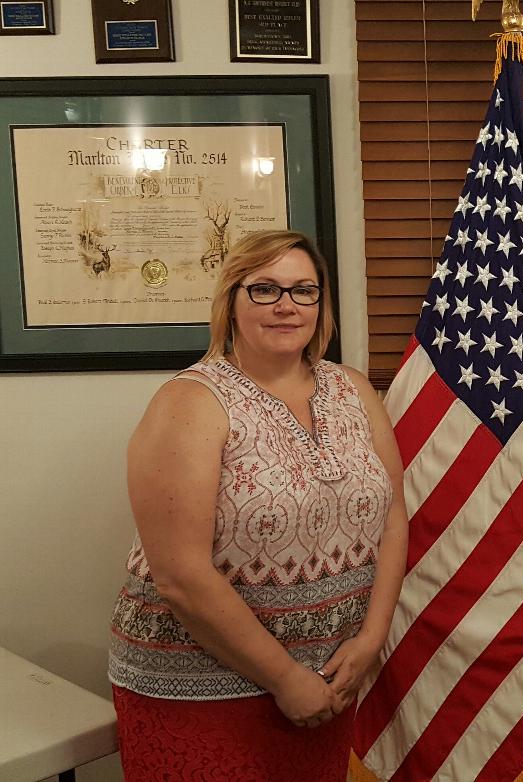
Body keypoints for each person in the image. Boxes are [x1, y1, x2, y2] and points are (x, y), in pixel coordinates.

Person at [108, 230, 408, 782]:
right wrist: (285, 679)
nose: (287, 305)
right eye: (265, 289)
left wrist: (371, 639)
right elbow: (179, 575)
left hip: (329, 679)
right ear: (232, 301)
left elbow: (392, 517)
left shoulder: (354, 390)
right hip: (201, 691)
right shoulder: (190, 402)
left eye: (303, 290)